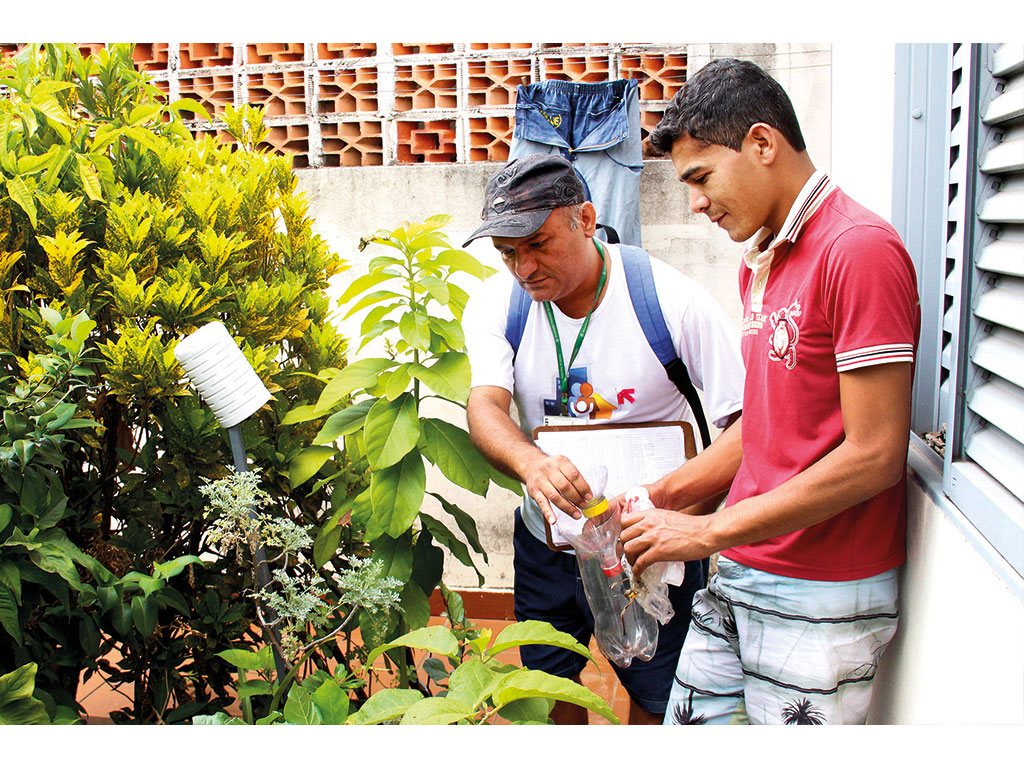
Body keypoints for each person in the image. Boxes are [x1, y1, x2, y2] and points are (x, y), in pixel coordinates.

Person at [618, 58, 921, 725]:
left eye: (701, 177)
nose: (695, 202)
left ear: (762, 144)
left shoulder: (858, 249)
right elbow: (766, 424)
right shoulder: (767, 261)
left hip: (820, 591)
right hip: (742, 572)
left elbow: (875, 455)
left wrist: (705, 530)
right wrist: (663, 500)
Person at [461, 153, 744, 724]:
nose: (523, 267)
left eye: (538, 244)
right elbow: (484, 405)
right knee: (547, 686)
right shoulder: (498, 305)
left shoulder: (670, 301)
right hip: (549, 540)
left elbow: (747, 429)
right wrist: (530, 463)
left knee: (657, 693)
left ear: (585, 219)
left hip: (652, 549)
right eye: (508, 252)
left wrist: (673, 508)